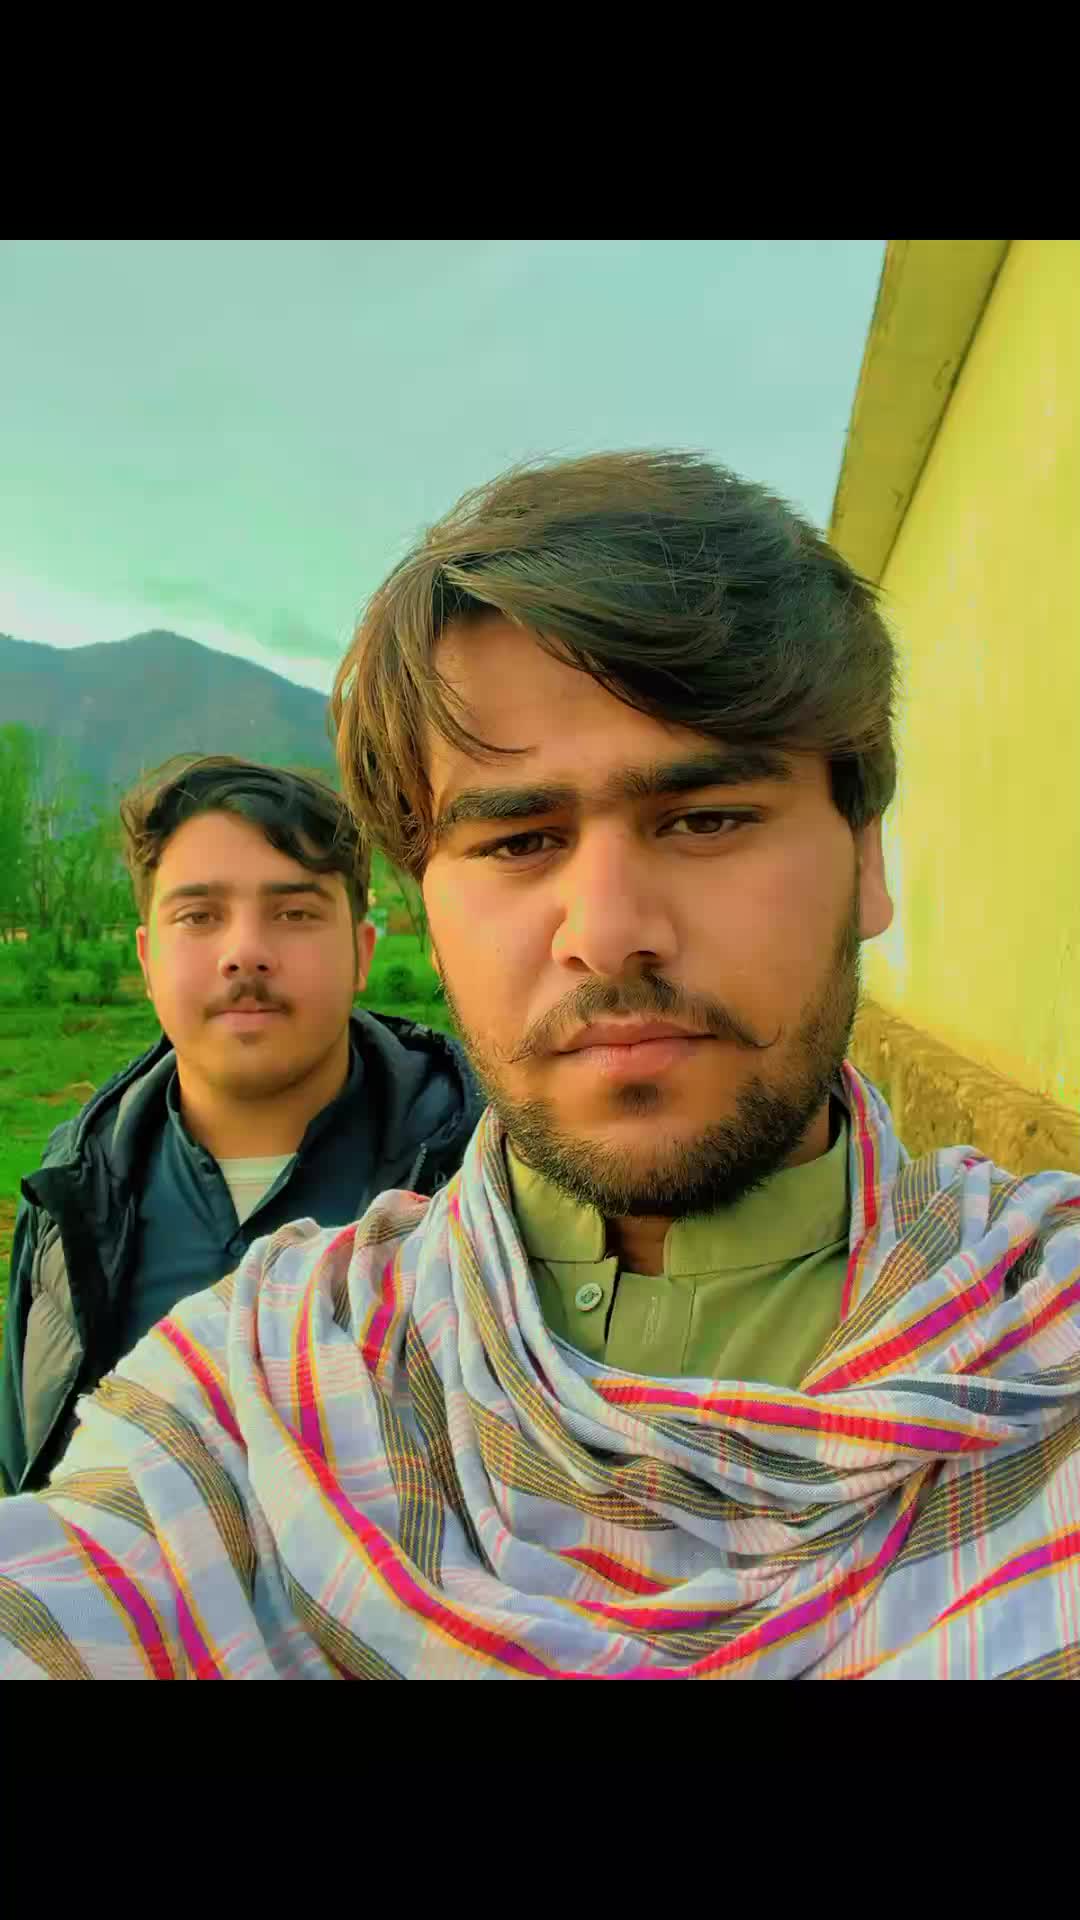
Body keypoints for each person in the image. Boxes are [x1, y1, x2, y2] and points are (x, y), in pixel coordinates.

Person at [1, 450, 1078, 1681]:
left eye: (707, 819)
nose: (607, 931)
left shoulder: (1042, 1343)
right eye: (519, 840)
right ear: (428, 909)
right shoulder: (263, 1390)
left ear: (866, 861)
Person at [0, 755, 484, 1496]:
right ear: (147, 959)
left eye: (294, 914)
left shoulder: (481, 1177)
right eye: (198, 916)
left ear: (361, 953)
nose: (245, 953)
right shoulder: (72, 1191)